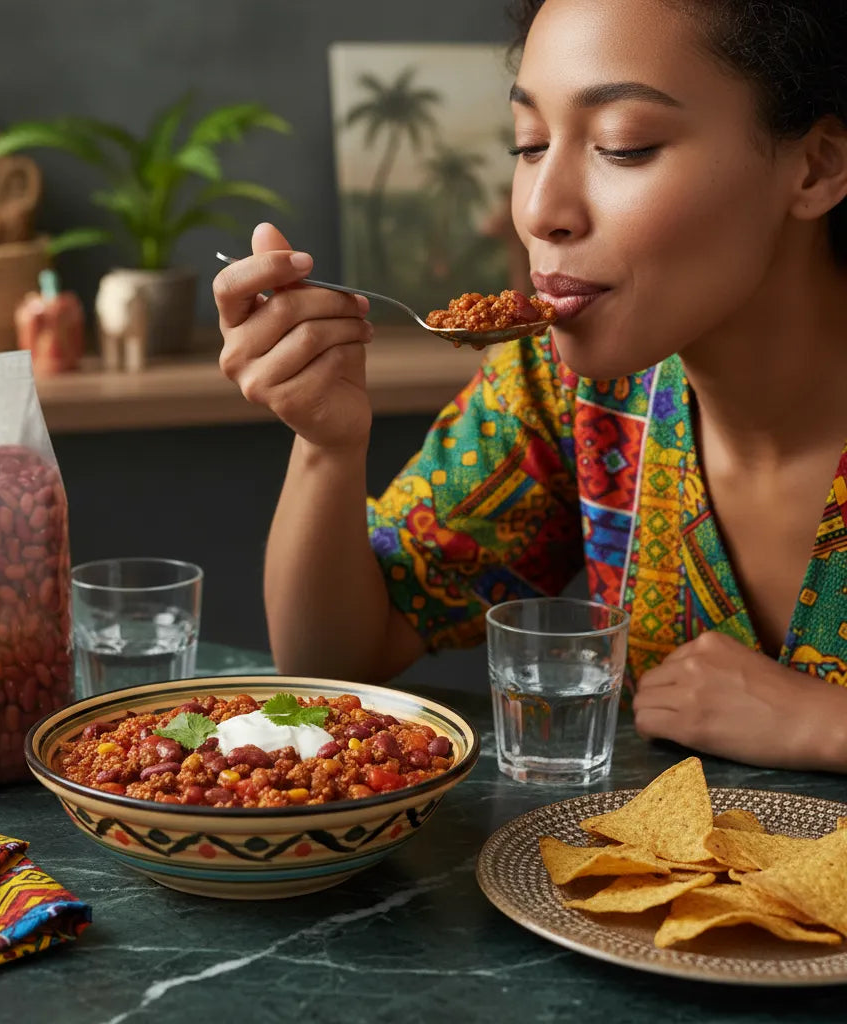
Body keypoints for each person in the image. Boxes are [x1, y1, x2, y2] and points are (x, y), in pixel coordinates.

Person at [213, 0, 847, 772]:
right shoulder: (566, 391)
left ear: (815, 166)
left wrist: (828, 725)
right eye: (531, 144)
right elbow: (339, 656)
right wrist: (326, 443)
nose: (541, 210)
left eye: (625, 146)